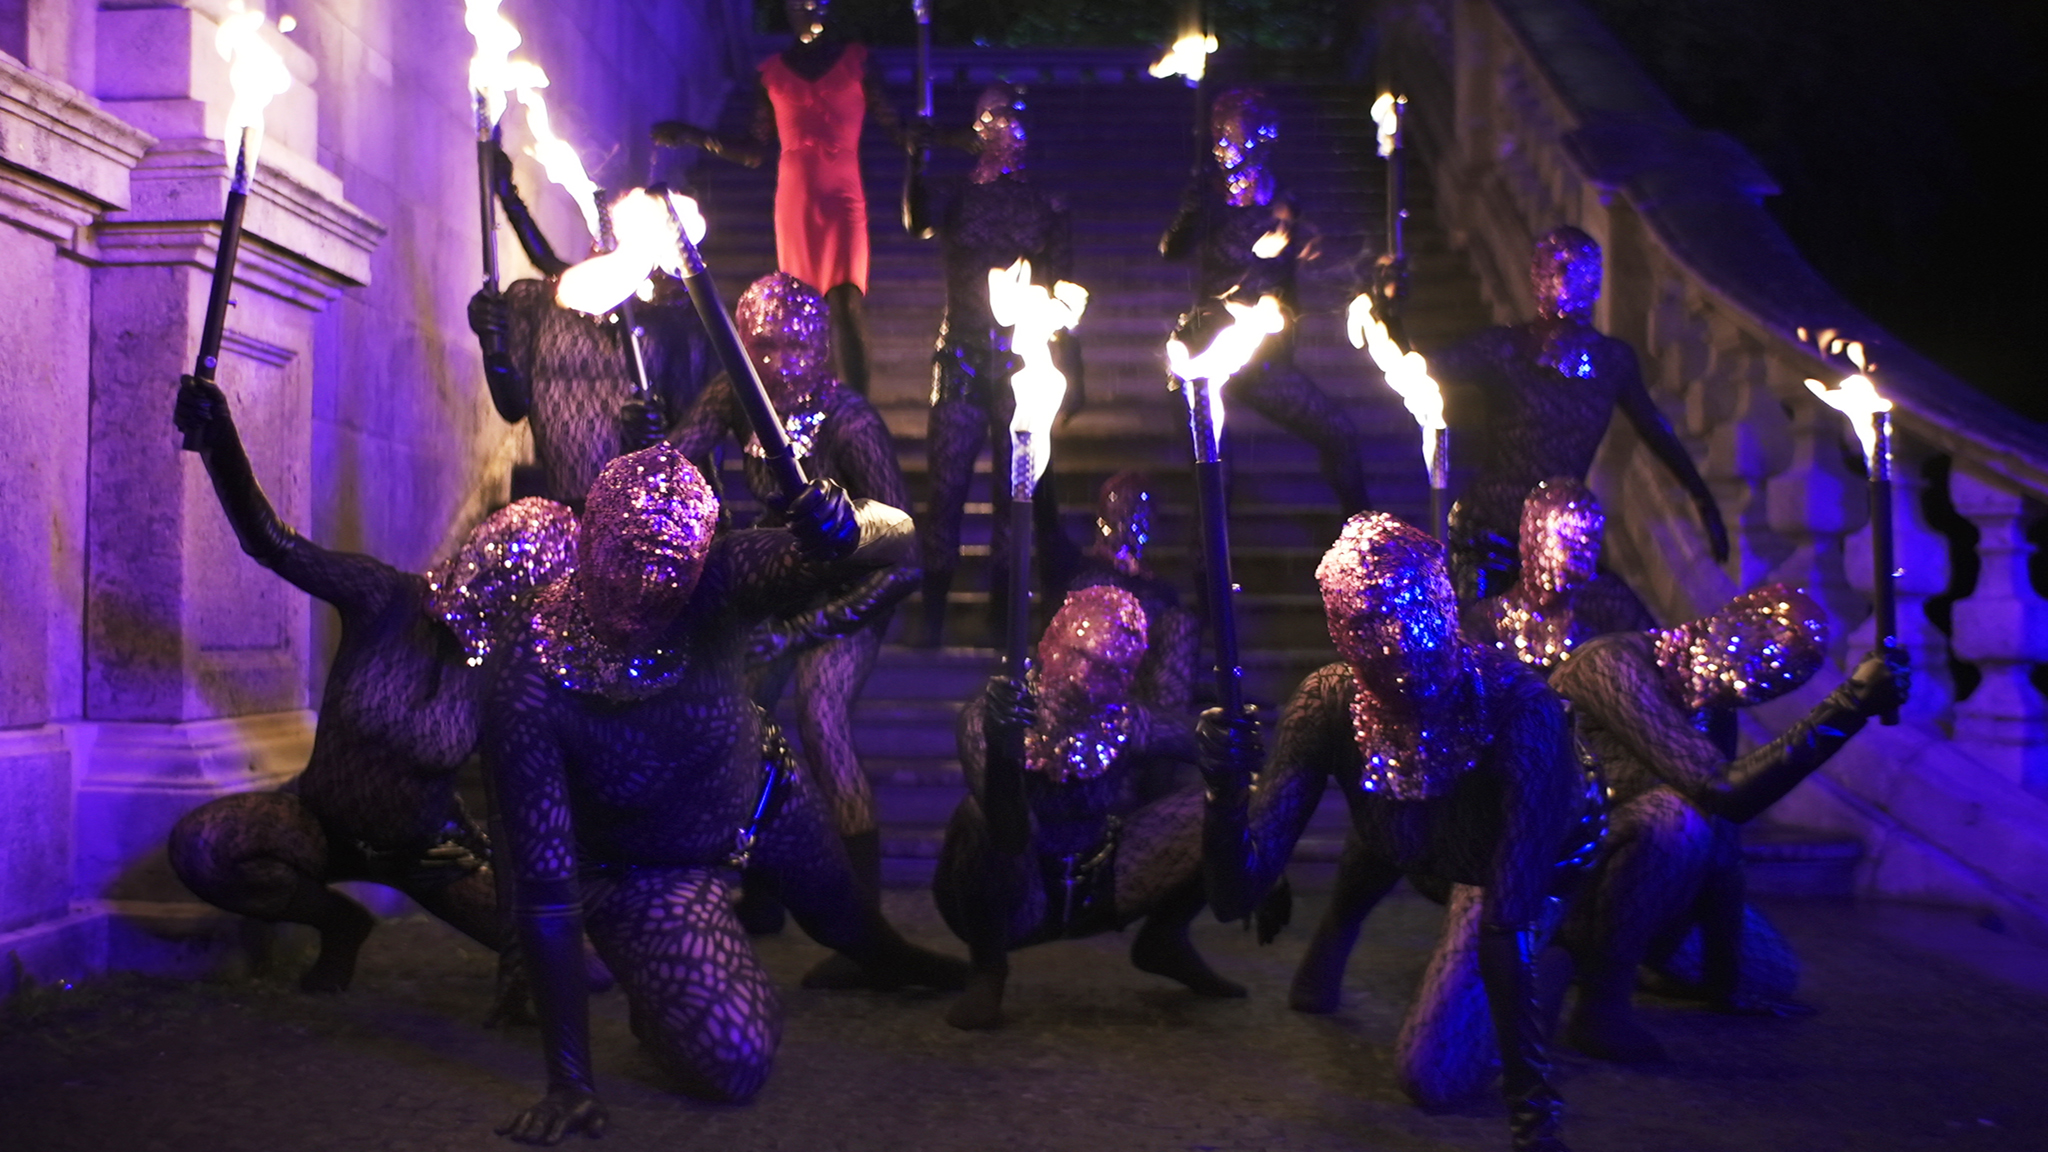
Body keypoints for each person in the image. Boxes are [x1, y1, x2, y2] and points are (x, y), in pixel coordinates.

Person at [484, 444, 963, 1144]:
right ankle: (663, 996)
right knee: (734, 1059)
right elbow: (549, 891)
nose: (645, 583)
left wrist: (849, 525)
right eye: (627, 555)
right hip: (644, 872)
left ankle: (887, 956)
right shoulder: (527, 675)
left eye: (669, 566)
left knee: (845, 920)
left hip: (762, 794)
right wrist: (570, 1083)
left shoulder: (720, 576)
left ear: (698, 563)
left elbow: (901, 538)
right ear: (587, 538)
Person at [1199, 513, 1598, 1152]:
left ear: (1443, 601)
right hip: (1427, 839)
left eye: (1410, 610)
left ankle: (1572, 952)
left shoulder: (1518, 708)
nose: (1397, 642)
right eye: (1365, 624)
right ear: (1340, 634)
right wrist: (1222, 794)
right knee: (1397, 793)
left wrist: (1534, 1114)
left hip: (1538, 859)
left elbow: (1505, 921)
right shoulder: (1329, 703)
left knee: (1430, 1074)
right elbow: (1234, 897)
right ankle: (1339, 932)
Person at [167, 376, 574, 1000]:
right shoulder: (384, 597)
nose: (493, 594)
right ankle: (340, 925)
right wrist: (219, 442)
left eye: (520, 594)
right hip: (318, 819)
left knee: (575, 964)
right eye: (493, 568)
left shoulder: (509, 671)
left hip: (429, 851)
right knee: (205, 848)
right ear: (476, 551)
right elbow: (272, 544)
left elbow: (515, 803)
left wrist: (521, 960)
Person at [1547, 586, 1908, 1062]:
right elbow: (1723, 792)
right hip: (1556, 864)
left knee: (1771, 975)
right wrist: (1850, 704)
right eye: (1760, 670)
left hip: (1640, 876)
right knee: (1675, 816)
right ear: (1727, 632)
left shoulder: (1712, 702)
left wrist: (1725, 981)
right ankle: (1600, 998)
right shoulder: (1611, 665)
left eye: (1773, 686)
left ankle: (1616, 954)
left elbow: (1724, 839)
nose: (1753, 690)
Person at [669, 271, 916, 966]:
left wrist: (803, 631)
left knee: (821, 715)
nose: (775, 363)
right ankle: (765, 888)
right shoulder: (737, 393)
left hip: (855, 588)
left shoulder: (851, 423)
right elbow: (676, 457)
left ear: (818, 347)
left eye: (791, 347)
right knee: (739, 714)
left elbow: (906, 556)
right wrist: (652, 453)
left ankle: (865, 929)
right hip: (786, 581)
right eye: (761, 346)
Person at [934, 586, 1238, 1030]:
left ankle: (1165, 939)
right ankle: (988, 967)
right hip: (1013, 895)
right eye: (1077, 655)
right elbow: (1008, 832)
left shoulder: (1128, 722)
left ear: (1125, 678)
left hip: (1098, 881)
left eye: (1105, 669)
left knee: (1228, 800)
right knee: (975, 817)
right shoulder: (987, 717)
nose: (1081, 677)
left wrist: (1227, 742)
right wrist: (1004, 749)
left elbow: (1208, 750)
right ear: (1049, 644)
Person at [1431, 226, 1728, 599]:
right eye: (1555, 268)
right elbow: (1417, 369)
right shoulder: (1503, 348)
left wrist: (1702, 498)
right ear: (1537, 276)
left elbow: (1655, 428)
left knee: (1600, 620)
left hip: (1560, 540)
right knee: (1482, 628)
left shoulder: (1612, 360)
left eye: (1581, 269)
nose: (1567, 279)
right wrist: (1389, 315)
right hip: (1488, 533)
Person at [653, 0, 906, 396]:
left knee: (846, 300)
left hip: (842, 196)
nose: (810, 9)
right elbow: (754, 149)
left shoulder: (857, 62)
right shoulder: (771, 73)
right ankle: (809, 402)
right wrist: (694, 135)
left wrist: (939, 140)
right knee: (802, 308)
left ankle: (859, 411)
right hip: (796, 199)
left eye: (818, 2)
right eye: (799, 3)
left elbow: (896, 126)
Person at [906, 82, 1079, 647]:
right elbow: (918, 220)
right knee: (947, 490)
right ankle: (932, 617)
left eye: (1015, 115)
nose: (1007, 126)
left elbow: (1064, 290)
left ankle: (1003, 619)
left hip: (1021, 363)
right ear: (978, 127)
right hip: (960, 355)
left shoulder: (1048, 203)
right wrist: (916, 159)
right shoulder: (958, 196)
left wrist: (1072, 370)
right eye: (995, 116)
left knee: (1013, 495)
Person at [1160, 87, 1371, 515]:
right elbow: (1172, 248)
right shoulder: (1209, 197)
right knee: (1215, 476)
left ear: (1260, 137)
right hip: (1206, 347)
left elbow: (1300, 270)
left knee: (1339, 433)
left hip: (1264, 358)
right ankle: (1209, 557)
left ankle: (1363, 530)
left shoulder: (1283, 201)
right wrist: (1198, 205)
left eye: (1231, 135)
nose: (1221, 146)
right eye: (1217, 135)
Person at [466, 148, 714, 509]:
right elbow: (512, 404)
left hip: (638, 510)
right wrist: (494, 346)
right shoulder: (546, 305)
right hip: (566, 504)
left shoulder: (665, 326)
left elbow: (694, 436)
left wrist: (656, 438)